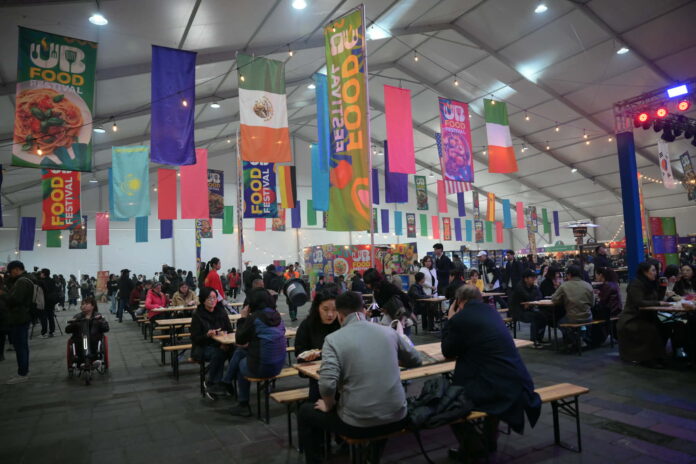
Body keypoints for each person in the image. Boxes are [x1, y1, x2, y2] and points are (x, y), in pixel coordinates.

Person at [298, 291, 422, 464]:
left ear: (340, 316)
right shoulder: (388, 332)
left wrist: (329, 404)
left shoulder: (333, 340)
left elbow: (327, 385)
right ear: (364, 311)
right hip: (398, 417)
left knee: (305, 411)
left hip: (358, 424)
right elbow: (416, 360)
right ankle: (371, 456)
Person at [442, 285, 541, 461]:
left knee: (448, 404)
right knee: (485, 387)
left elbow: (448, 351)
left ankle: (474, 449)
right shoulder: (492, 312)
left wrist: (450, 320)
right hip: (518, 383)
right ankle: (489, 441)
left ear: (459, 302)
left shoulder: (460, 319)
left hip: (494, 387)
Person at [227, 288, 286, 417]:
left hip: (263, 367)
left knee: (240, 364)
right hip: (279, 365)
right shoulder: (277, 316)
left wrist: (243, 318)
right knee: (241, 352)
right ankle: (225, 382)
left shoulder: (254, 318)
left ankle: (243, 404)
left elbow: (239, 339)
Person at [618, 261, 673, 368]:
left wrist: (663, 287)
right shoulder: (636, 284)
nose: (657, 273)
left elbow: (658, 299)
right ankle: (648, 359)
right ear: (645, 272)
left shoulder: (651, 283)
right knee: (650, 329)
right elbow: (639, 302)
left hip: (648, 316)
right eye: (654, 270)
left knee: (666, 325)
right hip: (632, 318)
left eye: (657, 270)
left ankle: (660, 356)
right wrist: (659, 303)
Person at [294, 286, 341, 401]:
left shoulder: (342, 324)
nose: (330, 314)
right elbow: (299, 352)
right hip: (318, 376)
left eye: (335, 310)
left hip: (342, 375)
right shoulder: (307, 325)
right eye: (325, 309)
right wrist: (306, 356)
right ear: (317, 308)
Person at [190, 288, 233, 399]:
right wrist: (207, 335)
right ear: (203, 300)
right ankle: (212, 383)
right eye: (209, 298)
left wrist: (224, 335)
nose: (213, 300)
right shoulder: (198, 315)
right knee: (219, 353)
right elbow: (195, 338)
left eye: (214, 298)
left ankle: (227, 382)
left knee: (236, 351)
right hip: (203, 346)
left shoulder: (221, 312)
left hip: (221, 344)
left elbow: (230, 330)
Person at [3, 261, 35, 384]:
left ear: (16, 269)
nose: (10, 274)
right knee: (22, 346)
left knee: (20, 346)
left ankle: (22, 373)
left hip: (19, 317)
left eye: (10, 271)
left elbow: (15, 299)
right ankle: (24, 371)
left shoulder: (22, 282)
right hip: (22, 316)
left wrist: (3, 294)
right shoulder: (26, 279)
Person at [551, 265, 594, 349]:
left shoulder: (564, 286)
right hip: (588, 317)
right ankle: (581, 338)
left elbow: (554, 299)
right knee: (581, 324)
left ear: (569, 274)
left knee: (559, 323)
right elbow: (592, 303)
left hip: (572, 317)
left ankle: (574, 339)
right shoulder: (588, 285)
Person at [65, 296, 109, 364]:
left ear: (92, 306)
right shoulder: (77, 317)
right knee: (77, 341)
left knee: (94, 339)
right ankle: (81, 359)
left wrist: (100, 321)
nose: (84, 306)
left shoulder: (98, 316)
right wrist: (74, 324)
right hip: (80, 340)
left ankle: (94, 358)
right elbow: (67, 330)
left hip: (94, 340)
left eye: (87, 304)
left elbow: (106, 328)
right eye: (83, 304)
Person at [509, 270, 547, 347]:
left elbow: (540, 296)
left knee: (543, 316)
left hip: (528, 309)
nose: (534, 279)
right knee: (535, 317)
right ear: (525, 279)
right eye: (532, 277)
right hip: (518, 312)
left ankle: (539, 339)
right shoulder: (519, 287)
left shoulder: (533, 286)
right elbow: (529, 297)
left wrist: (530, 303)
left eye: (535, 277)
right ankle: (533, 341)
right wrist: (532, 299)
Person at [38, 268, 59, 338]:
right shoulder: (52, 280)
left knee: (43, 318)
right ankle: (51, 332)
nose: (40, 274)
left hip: (44, 301)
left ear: (44, 274)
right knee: (51, 317)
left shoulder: (41, 282)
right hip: (51, 301)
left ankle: (44, 333)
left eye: (41, 273)